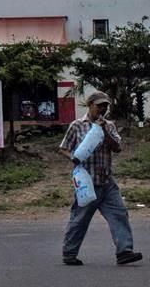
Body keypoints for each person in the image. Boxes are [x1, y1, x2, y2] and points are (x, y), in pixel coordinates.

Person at [59, 90, 142, 266]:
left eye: (105, 106)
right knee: (80, 219)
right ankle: (69, 253)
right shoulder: (77, 125)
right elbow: (64, 147)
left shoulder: (109, 125)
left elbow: (117, 148)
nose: (103, 109)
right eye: (99, 106)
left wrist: (103, 128)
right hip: (87, 182)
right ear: (90, 105)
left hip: (106, 181)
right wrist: (73, 158)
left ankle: (124, 251)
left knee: (119, 214)